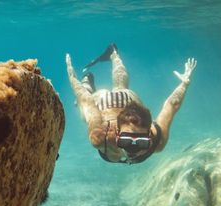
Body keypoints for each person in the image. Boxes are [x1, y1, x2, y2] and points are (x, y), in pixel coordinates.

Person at [65, 43, 197, 164]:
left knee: (121, 86)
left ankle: (113, 55)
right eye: (126, 141)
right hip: (104, 103)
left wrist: (185, 83)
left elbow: (172, 104)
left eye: (141, 143)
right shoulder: (100, 136)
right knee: (84, 106)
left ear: (150, 135)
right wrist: (73, 77)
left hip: (127, 99)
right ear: (116, 133)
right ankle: (90, 78)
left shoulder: (157, 140)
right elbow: (87, 101)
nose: (132, 150)